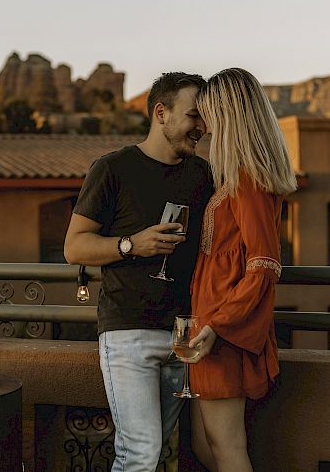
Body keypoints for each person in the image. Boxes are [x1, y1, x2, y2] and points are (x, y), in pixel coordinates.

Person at [64, 72, 214, 471]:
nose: (201, 127)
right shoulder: (113, 169)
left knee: (154, 451)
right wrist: (131, 244)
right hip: (128, 333)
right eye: (194, 116)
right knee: (141, 453)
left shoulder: (202, 175)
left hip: (185, 336)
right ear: (161, 113)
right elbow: (74, 246)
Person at [185, 68, 298, 472]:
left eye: (208, 111)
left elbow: (264, 264)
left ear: (228, 112)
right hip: (208, 332)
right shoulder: (234, 177)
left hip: (224, 333)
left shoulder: (248, 180)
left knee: (226, 447)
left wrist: (218, 325)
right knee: (205, 446)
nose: (202, 121)